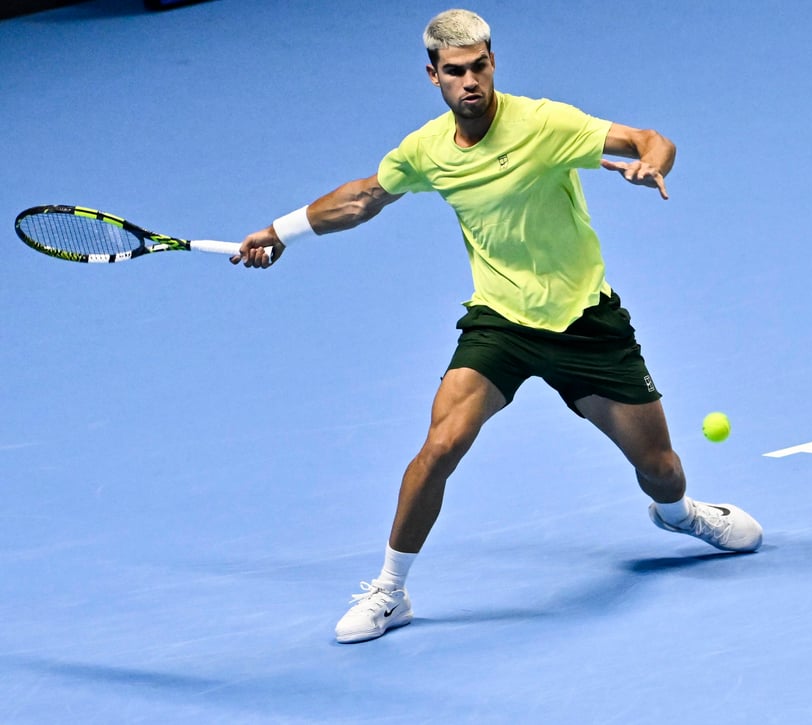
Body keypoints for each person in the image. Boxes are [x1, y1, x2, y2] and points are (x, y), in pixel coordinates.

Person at [233, 8, 763, 644]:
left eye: (479, 66)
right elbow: (364, 197)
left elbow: (648, 138)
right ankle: (391, 591)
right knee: (440, 446)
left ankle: (679, 516)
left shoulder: (543, 123)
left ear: (493, 64)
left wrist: (654, 163)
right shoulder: (426, 150)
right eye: (455, 71)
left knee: (661, 469)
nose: (470, 81)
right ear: (433, 76)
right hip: (501, 324)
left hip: (586, 322)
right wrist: (281, 231)